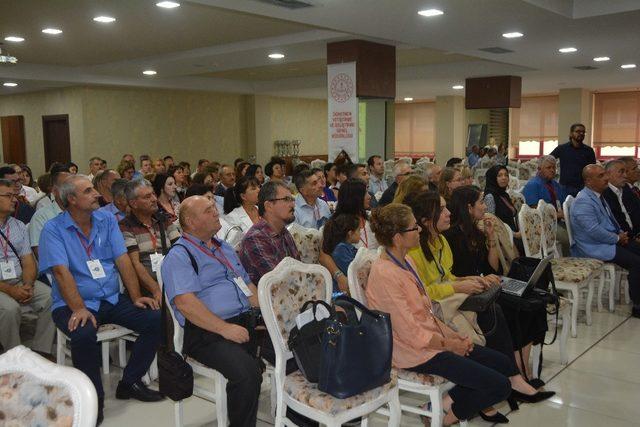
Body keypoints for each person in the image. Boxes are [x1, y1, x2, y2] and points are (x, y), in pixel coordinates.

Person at [366, 203, 519, 426]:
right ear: (398, 238)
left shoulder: (406, 260)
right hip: (412, 352)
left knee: (503, 363)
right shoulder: (385, 275)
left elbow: (426, 311)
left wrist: (454, 337)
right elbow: (410, 332)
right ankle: (443, 419)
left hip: (431, 339)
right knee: (500, 386)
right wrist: (449, 345)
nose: (419, 230)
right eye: (413, 227)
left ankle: (438, 407)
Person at [38, 175, 163, 424]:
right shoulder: (53, 230)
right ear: (72, 200)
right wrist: (79, 308)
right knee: (84, 335)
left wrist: (136, 296)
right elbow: (61, 273)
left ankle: (130, 382)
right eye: (88, 190)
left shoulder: (106, 219)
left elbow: (122, 259)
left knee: (156, 318)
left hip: (110, 298)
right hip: (72, 304)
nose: (96, 193)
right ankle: (92, 401)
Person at [406, 191, 554, 396]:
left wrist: (467, 280)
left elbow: (449, 275)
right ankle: (509, 377)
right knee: (495, 311)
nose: (448, 213)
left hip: (452, 297)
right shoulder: (415, 250)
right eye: (441, 210)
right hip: (438, 307)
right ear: (425, 219)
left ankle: (514, 374)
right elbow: (422, 291)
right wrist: (460, 285)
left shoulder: (440, 241)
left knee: (527, 302)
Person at [162, 195, 262, 427]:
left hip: (244, 320)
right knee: (247, 373)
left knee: (295, 344)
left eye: (214, 208)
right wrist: (225, 329)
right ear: (190, 221)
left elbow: (247, 286)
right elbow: (186, 304)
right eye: (208, 210)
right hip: (207, 331)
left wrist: (269, 314)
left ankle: (298, 418)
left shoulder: (223, 246)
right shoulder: (179, 255)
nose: (216, 212)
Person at [445, 186, 548, 377]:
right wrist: (481, 279)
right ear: (468, 208)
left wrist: (491, 238)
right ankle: (517, 368)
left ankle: (523, 366)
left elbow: (491, 268)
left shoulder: (475, 232)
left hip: (487, 283)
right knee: (519, 307)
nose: (485, 207)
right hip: (471, 291)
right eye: (481, 202)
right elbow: (454, 275)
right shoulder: (451, 237)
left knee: (534, 302)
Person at [571, 164, 640, 317]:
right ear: (589, 181)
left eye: (605, 174)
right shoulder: (583, 201)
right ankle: (637, 306)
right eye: (601, 176)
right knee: (636, 262)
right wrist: (616, 238)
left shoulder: (598, 195)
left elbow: (610, 221)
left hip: (606, 241)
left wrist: (620, 233)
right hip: (593, 247)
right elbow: (593, 231)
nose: (606, 178)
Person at [0, 178, 55, 357]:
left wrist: (28, 284)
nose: (15, 200)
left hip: (19, 280)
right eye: (9, 196)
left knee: (51, 297)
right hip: (1, 286)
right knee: (9, 309)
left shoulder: (18, 226)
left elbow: (28, 261)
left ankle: (41, 351)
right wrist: (10, 290)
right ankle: (14, 357)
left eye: (14, 195)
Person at [120, 179, 180, 301]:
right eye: (147, 197)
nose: (154, 199)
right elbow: (135, 263)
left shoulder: (164, 220)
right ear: (134, 203)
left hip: (174, 281)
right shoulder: (125, 226)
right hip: (147, 289)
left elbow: (180, 250)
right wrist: (156, 290)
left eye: (153, 194)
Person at [239, 181, 300, 286]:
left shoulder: (283, 231)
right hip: (272, 299)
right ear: (268, 206)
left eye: (292, 199)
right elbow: (279, 283)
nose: (292, 204)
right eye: (286, 199)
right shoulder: (255, 239)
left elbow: (299, 270)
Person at [29, 169, 71, 258]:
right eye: (66, 186)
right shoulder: (41, 216)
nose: (71, 190)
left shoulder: (82, 212)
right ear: (54, 191)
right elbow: (41, 254)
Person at [484, 165, 523, 253]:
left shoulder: (504, 195)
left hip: (512, 235)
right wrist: (514, 234)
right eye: (499, 175)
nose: (504, 178)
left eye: (506, 175)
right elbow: (492, 224)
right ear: (493, 178)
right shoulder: (490, 196)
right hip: (502, 239)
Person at [550, 123, 597, 197]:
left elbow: (593, 169)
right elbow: (548, 159)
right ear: (571, 133)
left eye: (583, 132)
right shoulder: (562, 148)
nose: (581, 133)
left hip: (583, 187)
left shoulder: (589, 150)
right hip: (565, 187)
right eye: (578, 131)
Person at [321, 213, 361, 293]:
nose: (361, 232)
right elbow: (355, 271)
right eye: (359, 230)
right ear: (350, 233)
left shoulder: (347, 247)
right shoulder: (341, 250)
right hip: (341, 294)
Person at [603, 160, 640, 237]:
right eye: (621, 172)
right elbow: (617, 222)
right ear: (608, 174)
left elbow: (636, 212)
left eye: (626, 172)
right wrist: (633, 236)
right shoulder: (605, 193)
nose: (625, 176)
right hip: (622, 238)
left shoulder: (625, 189)